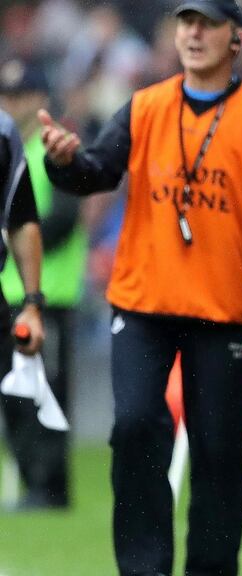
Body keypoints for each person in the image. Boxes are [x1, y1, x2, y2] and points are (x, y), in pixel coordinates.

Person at [39, 1, 242, 574]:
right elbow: (97, 171)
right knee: (134, 427)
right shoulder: (145, 107)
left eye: (207, 24)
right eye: (186, 22)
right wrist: (64, 162)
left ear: (236, 39)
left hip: (225, 311)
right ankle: (144, 568)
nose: (193, 33)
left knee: (218, 451)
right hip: (143, 304)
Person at [0, 59, 86, 510]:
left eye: (22, 95)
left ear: (41, 100)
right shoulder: (7, 148)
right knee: (14, 393)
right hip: (7, 293)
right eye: (8, 95)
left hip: (50, 294)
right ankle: (35, 481)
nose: (13, 104)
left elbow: (64, 220)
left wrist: (12, 232)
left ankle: (51, 487)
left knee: (46, 391)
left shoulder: (55, 149)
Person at [0, 99, 48, 509]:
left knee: (16, 403)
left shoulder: (2, 132)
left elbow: (21, 219)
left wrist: (32, 301)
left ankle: (42, 487)